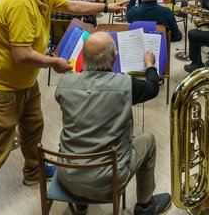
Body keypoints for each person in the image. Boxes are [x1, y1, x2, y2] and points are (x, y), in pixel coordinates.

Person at [0, 0, 127, 214]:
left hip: (24, 81)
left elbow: (73, 6)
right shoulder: (21, 2)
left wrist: (106, 7)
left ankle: (33, 170)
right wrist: (53, 62)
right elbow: (22, 54)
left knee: (33, 127)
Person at [55, 32, 171, 215]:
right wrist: (150, 65)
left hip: (68, 175)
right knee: (148, 140)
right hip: (108, 180)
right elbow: (152, 88)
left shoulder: (65, 83)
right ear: (114, 57)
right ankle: (145, 205)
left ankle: (81, 203)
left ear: (82, 57)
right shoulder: (125, 84)